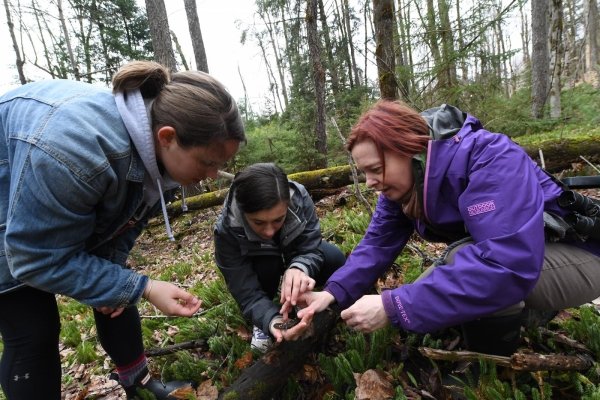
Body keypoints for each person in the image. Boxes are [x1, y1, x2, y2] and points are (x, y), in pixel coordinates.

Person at [0, 60, 245, 399]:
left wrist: (115, 282)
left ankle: (139, 387)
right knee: (33, 330)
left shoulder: (163, 159)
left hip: (45, 187)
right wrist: (142, 288)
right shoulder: (77, 150)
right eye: (208, 162)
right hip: (10, 209)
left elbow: (124, 226)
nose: (213, 174)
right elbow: (33, 258)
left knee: (116, 287)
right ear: (168, 137)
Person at [295, 100, 600, 356]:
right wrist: (332, 293)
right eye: (364, 173)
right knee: (440, 284)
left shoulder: (490, 157)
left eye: (375, 169)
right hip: (531, 253)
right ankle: (525, 314)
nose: (370, 183)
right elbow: (376, 244)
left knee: (464, 265)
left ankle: (486, 367)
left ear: (410, 149)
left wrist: (392, 306)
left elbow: (505, 265)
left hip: (583, 254)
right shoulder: (405, 183)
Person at [214, 163, 346, 352]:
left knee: (334, 258)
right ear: (244, 213)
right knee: (266, 265)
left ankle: (303, 297)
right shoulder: (226, 231)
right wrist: (272, 320)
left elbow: (310, 246)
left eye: (278, 219)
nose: (268, 231)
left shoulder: (298, 198)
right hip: (261, 263)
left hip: (291, 250)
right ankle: (263, 320)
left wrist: (300, 267)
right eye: (258, 222)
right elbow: (245, 291)